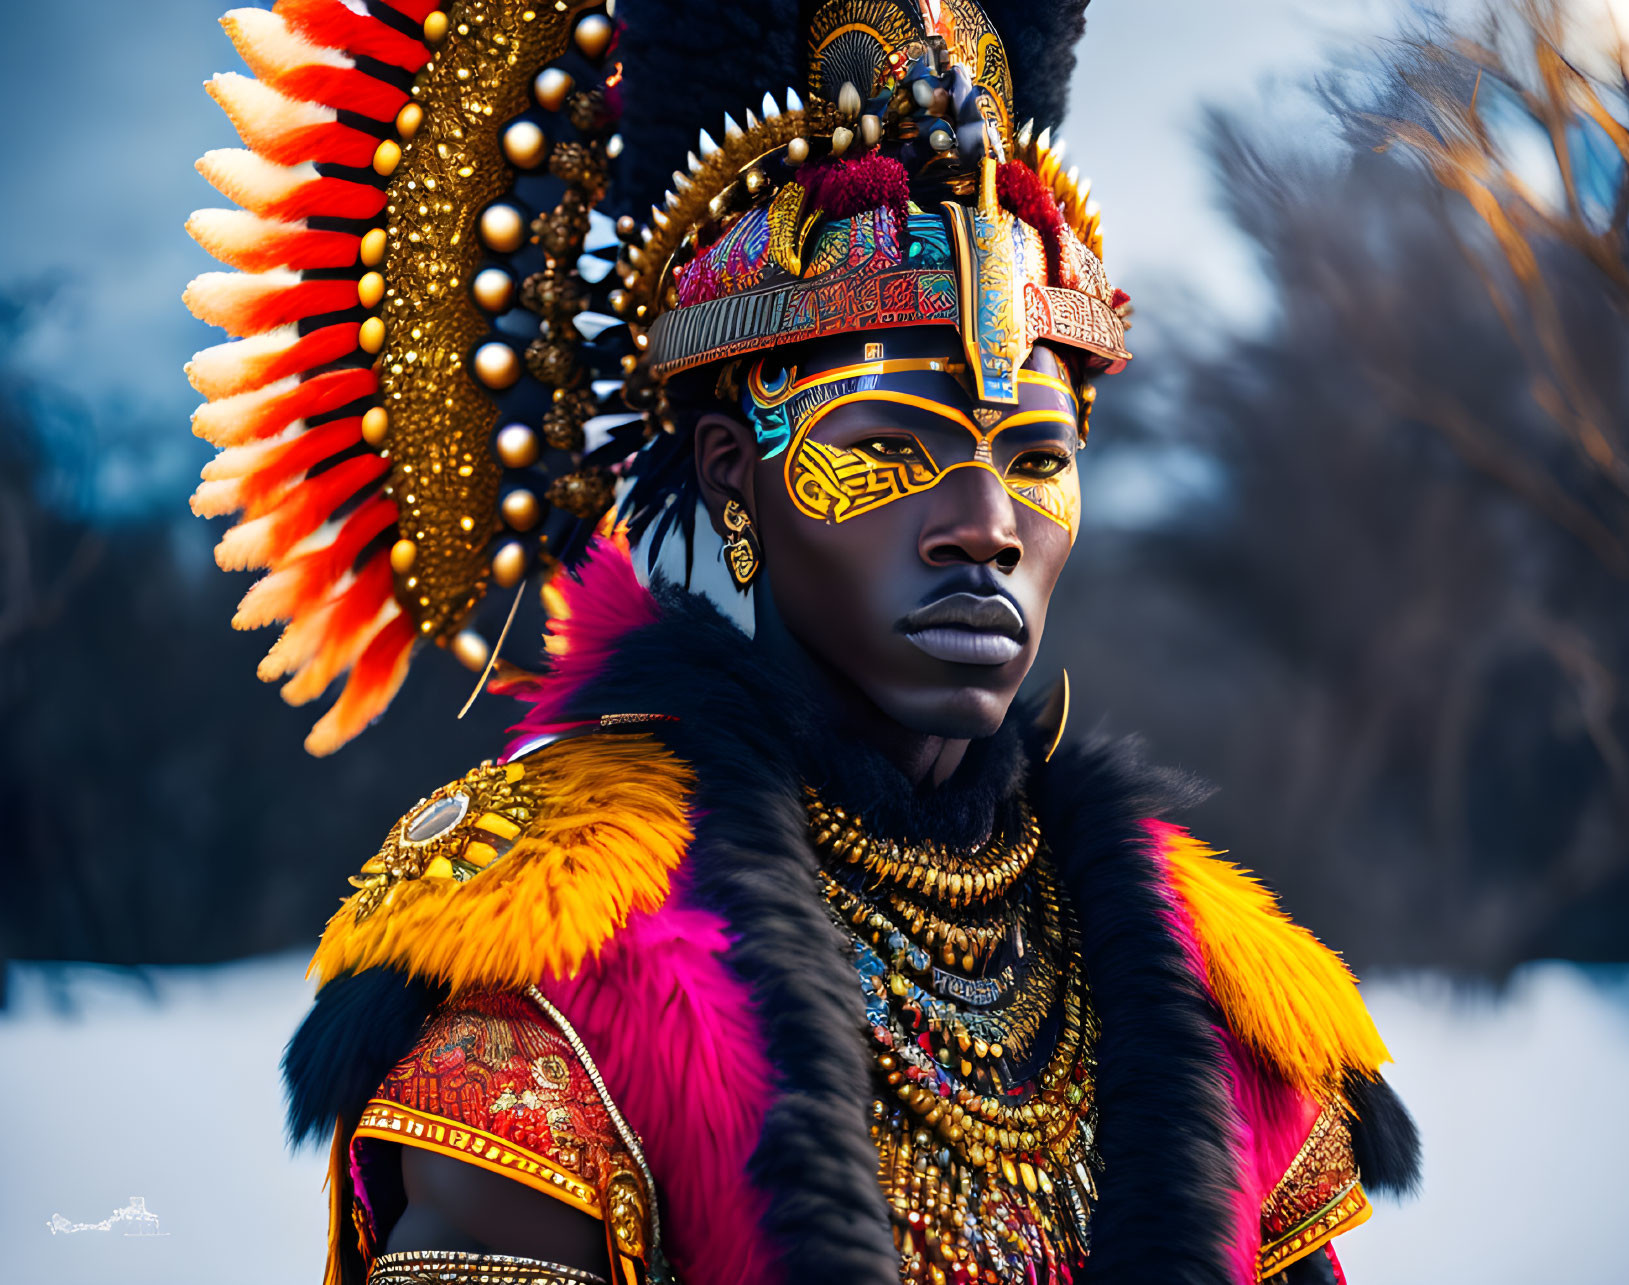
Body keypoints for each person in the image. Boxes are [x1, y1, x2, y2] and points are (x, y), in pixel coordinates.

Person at [183, 1, 1421, 1282]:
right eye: (888, 448)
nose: (986, 527)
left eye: (1039, 458)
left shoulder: (1214, 984)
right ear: (732, 478)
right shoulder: (558, 959)